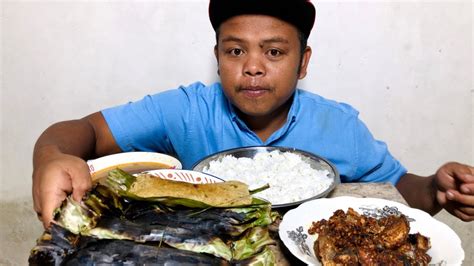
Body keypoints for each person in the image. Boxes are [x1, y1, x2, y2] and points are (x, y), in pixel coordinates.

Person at [32, 0, 474, 228]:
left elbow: (398, 186)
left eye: (275, 51)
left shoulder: (338, 125)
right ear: (218, 57)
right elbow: (86, 130)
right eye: (236, 50)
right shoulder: (188, 110)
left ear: (303, 62)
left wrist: (436, 189)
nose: (253, 66)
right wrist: (53, 155)